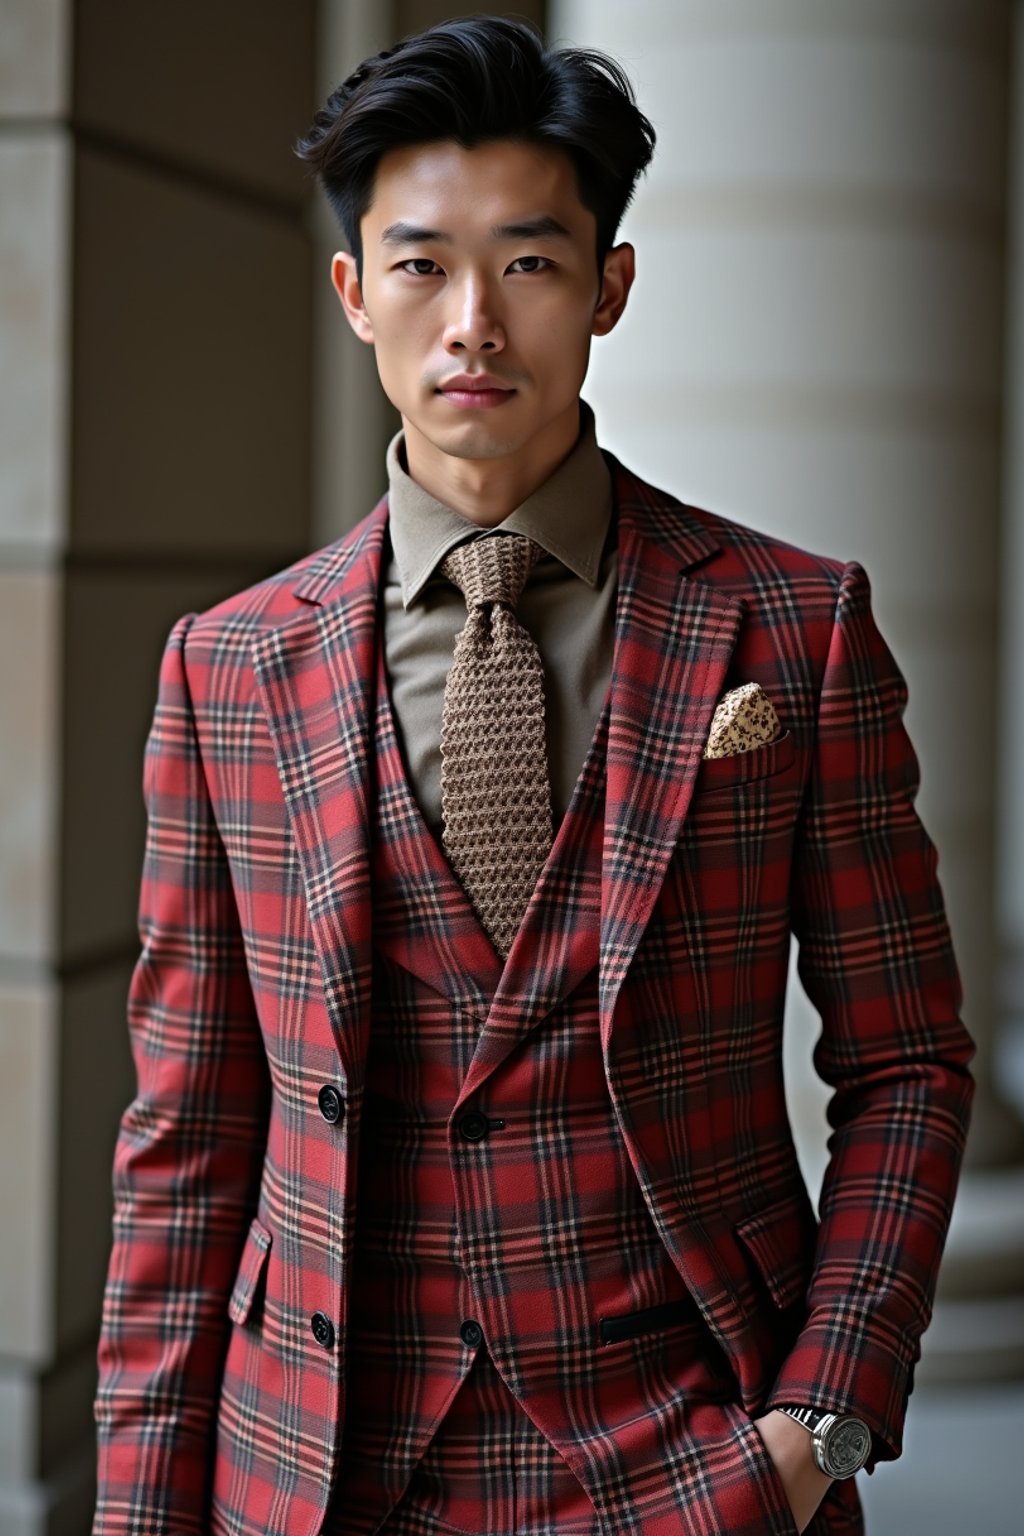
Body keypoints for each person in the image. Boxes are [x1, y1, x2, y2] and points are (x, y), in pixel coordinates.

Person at [91, 14, 975, 1536]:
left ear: (609, 287)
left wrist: (818, 1421)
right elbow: (187, 1137)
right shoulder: (226, 668)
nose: (473, 326)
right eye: (422, 263)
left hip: (696, 1465)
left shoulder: (793, 624)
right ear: (354, 292)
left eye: (530, 262)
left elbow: (907, 1063)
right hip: (320, 1470)